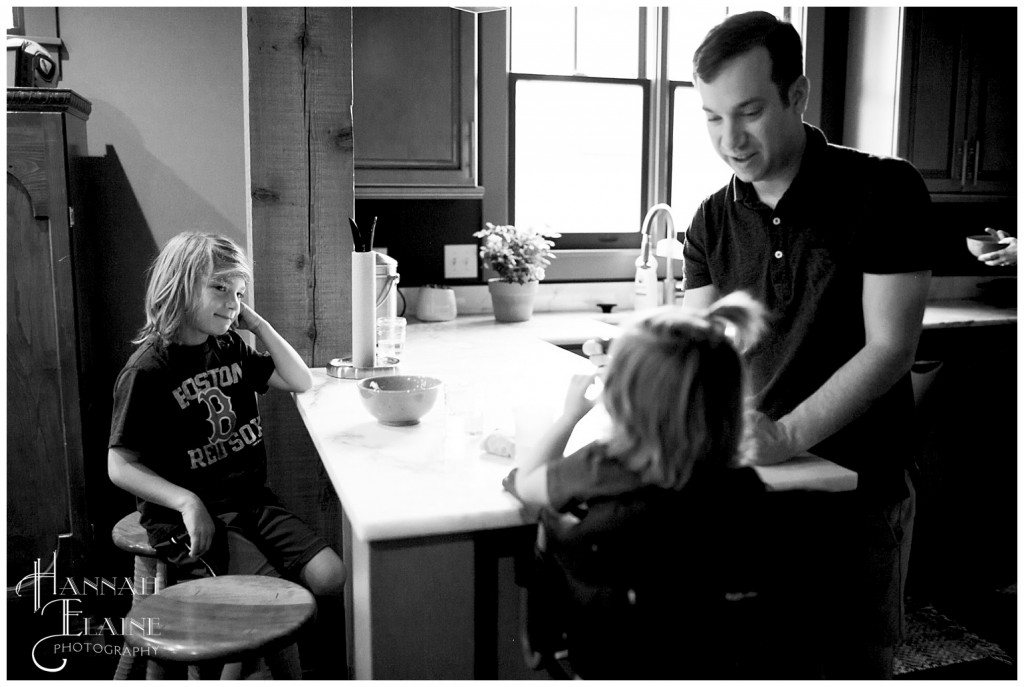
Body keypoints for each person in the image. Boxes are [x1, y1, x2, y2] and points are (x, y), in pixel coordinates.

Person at [677, 10, 931, 678]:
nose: (729, 138)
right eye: (710, 116)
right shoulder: (708, 220)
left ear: (797, 94)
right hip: (754, 492)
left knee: (853, 662)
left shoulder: (886, 189)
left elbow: (890, 348)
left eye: (749, 110)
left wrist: (787, 433)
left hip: (860, 490)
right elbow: (702, 351)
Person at [504, 294, 799, 678]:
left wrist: (569, 416)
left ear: (621, 399)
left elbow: (526, 482)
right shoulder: (742, 486)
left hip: (607, 664)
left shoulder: (600, 466)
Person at [108, 232, 346, 678]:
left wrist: (256, 324)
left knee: (330, 576)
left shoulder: (230, 346)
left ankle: (252, 642)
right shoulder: (148, 370)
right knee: (269, 597)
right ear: (180, 286)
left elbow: (299, 380)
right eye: (219, 288)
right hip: (194, 519)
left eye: (239, 293)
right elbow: (119, 465)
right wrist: (186, 501)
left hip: (251, 500)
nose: (232, 302)